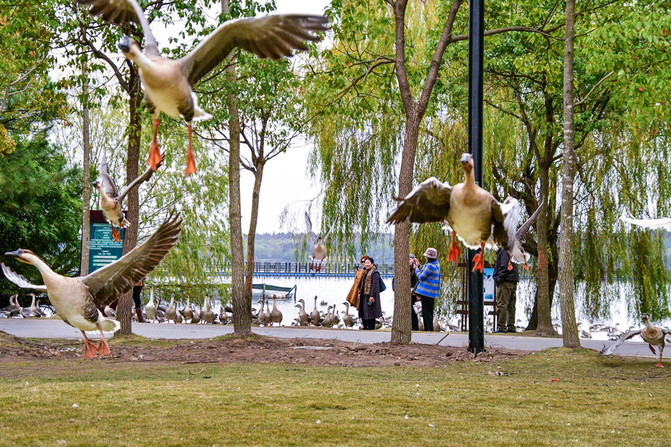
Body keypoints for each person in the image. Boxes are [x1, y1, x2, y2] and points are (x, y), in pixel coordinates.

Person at [414, 247, 441, 331]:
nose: (425, 257)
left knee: (426, 313)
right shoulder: (436, 264)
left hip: (426, 292)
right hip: (432, 293)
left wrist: (416, 269)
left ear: (428, 257)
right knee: (429, 312)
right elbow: (426, 272)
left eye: (426, 256)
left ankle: (428, 330)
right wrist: (420, 266)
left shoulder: (430, 266)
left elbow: (421, 277)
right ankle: (429, 329)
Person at [493, 247, 518, 333]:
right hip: (513, 280)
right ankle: (511, 326)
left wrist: (499, 278)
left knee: (502, 304)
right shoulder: (513, 248)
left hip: (505, 281)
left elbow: (504, 265)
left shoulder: (504, 250)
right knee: (511, 305)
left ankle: (501, 326)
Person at [357, 255, 382, 330]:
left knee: (371, 313)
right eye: (365, 263)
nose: (367, 264)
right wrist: (360, 292)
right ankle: (365, 327)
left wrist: (372, 296)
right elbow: (362, 284)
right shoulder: (365, 272)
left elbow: (375, 286)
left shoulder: (375, 273)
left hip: (371, 295)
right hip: (364, 295)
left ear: (372, 264)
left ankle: (371, 328)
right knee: (364, 311)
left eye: (368, 263)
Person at [409, 254, 421, 331]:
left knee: (414, 311)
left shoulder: (416, 269)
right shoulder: (405, 269)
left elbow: (418, 281)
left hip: (414, 293)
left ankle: (415, 327)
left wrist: (417, 293)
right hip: (407, 293)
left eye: (410, 259)